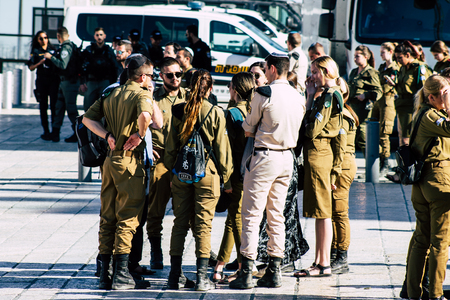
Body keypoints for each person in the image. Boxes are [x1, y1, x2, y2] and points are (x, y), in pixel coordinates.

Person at [230, 53, 304, 289]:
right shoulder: (297, 94)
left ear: (271, 69)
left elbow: (248, 127)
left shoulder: (264, 93)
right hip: (287, 158)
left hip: (265, 155)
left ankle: (246, 272)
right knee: (277, 215)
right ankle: (274, 269)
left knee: (251, 214)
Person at [82, 55, 155, 290]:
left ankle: (105, 273)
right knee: (128, 217)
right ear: (142, 76)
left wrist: (106, 135)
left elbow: (86, 119)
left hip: (110, 161)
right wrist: (140, 135)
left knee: (108, 216)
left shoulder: (110, 93)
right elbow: (146, 115)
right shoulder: (142, 93)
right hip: (129, 161)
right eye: (151, 76)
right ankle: (121, 274)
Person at [164, 69, 233, 291]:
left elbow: (170, 148)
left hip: (182, 173)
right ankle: (203, 278)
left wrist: (171, 173)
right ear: (210, 89)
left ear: (188, 86)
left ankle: (174, 276)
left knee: (180, 224)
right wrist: (228, 181)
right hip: (207, 175)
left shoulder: (177, 110)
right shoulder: (215, 111)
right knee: (203, 226)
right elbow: (223, 152)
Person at [295, 56, 346, 278]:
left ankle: (323, 263)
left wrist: (309, 105)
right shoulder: (323, 94)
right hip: (316, 154)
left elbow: (312, 129)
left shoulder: (329, 95)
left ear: (325, 71)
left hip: (320, 154)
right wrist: (308, 95)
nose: (312, 76)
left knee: (323, 212)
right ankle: (319, 260)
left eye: (315, 72)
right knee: (318, 212)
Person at [406, 74, 450, 300]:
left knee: (421, 238)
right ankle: (435, 293)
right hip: (436, 180)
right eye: (445, 94)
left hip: (424, 181)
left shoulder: (424, 112)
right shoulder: (432, 116)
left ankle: (413, 291)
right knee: (439, 241)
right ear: (432, 97)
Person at [211, 72, 254, 283]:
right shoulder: (254, 110)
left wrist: (224, 178)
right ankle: (220, 264)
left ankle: (242, 266)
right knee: (233, 217)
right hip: (252, 170)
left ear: (234, 90)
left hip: (236, 172)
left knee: (236, 218)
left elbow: (225, 148)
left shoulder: (233, 113)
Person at [146, 57, 186, 270]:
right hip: (160, 161)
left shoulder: (188, 97)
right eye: (170, 75)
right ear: (161, 76)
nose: (175, 78)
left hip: (183, 161)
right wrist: (146, 147)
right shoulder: (153, 98)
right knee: (156, 211)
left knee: (184, 211)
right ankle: (155, 250)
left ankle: (180, 254)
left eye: (178, 74)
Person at [330, 102, 359, 274]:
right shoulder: (341, 111)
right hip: (340, 164)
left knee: (340, 212)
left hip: (342, 166)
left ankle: (342, 256)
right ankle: (334, 253)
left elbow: (340, 148)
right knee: (334, 212)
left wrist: (335, 172)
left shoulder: (344, 115)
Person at [43, 26, 80, 143]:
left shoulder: (66, 48)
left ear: (58, 36)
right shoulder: (69, 46)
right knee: (59, 108)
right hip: (64, 82)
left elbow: (63, 64)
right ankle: (55, 133)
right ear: (67, 35)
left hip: (69, 83)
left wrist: (51, 57)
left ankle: (78, 133)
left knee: (71, 109)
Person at [347, 45, 382, 155]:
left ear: (366, 57)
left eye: (357, 56)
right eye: (354, 56)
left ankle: (378, 157)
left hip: (363, 110)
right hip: (352, 108)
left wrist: (365, 95)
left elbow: (378, 92)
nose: (355, 58)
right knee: (353, 137)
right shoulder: (354, 72)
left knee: (363, 137)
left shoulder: (371, 73)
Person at [27, 30, 60, 141]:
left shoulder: (53, 50)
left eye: (45, 37)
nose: (43, 40)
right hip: (42, 81)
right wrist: (39, 63)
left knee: (54, 106)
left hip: (53, 81)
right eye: (41, 38)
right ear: (37, 40)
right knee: (43, 107)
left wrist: (51, 57)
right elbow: (31, 67)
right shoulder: (35, 52)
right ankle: (46, 131)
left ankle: (55, 132)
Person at [374, 42, 399, 174]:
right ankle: (379, 159)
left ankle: (386, 160)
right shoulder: (382, 67)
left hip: (388, 100)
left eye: (383, 52)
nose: (381, 55)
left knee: (385, 132)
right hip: (379, 100)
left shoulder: (395, 68)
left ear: (390, 52)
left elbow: (394, 85)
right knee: (374, 131)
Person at [80, 27, 117, 112]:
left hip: (104, 82)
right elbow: (81, 67)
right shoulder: (89, 50)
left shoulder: (109, 51)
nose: (99, 37)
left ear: (105, 36)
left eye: (101, 35)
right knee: (88, 108)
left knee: (105, 107)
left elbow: (114, 68)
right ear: (94, 36)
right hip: (91, 82)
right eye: (97, 35)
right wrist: (82, 82)